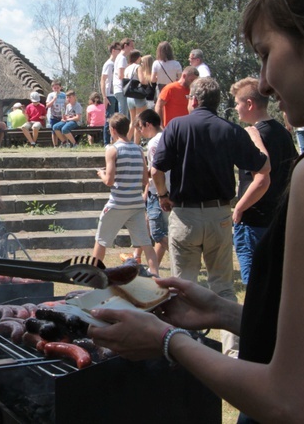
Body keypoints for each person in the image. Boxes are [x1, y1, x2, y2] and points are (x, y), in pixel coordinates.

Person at [89, 0, 304, 422]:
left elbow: (293, 402)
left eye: (268, 54)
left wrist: (167, 341)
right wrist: (220, 311)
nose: (265, 82)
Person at [151, 77, 270, 354]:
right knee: (223, 288)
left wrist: (162, 196)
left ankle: (189, 350)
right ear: (218, 103)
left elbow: (156, 170)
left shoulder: (177, 126)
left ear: (193, 100)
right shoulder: (230, 129)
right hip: (219, 215)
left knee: (183, 287)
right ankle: (233, 352)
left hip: (185, 215)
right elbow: (261, 166)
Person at [231, 77, 297, 285]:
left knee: (254, 282)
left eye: (237, 103)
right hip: (276, 218)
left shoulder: (253, 136)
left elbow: (260, 181)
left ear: (249, 104)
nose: (235, 108)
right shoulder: (283, 133)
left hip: (253, 220)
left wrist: (239, 209)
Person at [94, 114, 159, 275]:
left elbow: (109, 180)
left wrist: (101, 174)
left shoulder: (112, 149)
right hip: (136, 203)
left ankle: (92, 275)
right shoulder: (138, 149)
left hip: (117, 203)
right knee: (146, 244)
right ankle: (157, 277)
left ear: (113, 130)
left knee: (101, 242)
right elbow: (145, 179)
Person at [137, 109, 170, 267]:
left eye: (140, 127)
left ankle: (183, 255)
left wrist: (143, 175)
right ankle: (154, 268)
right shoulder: (168, 137)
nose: (140, 131)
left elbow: (157, 170)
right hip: (164, 189)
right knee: (162, 230)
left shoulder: (153, 144)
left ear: (148, 124)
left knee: (158, 233)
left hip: (159, 192)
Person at [123, 49, 148, 142]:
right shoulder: (138, 67)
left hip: (129, 97)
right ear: (138, 57)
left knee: (132, 121)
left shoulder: (127, 68)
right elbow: (142, 80)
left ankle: (126, 141)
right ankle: (136, 144)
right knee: (139, 121)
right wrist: (147, 80)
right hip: (137, 96)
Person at [101, 42, 121, 145]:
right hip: (110, 95)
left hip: (117, 94)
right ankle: (106, 142)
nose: (120, 52)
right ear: (113, 50)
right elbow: (103, 80)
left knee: (117, 119)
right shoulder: (109, 64)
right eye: (118, 50)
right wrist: (104, 96)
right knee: (109, 119)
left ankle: (115, 140)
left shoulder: (117, 63)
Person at [112, 38, 134, 115]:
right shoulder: (122, 58)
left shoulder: (120, 57)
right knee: (123, 115)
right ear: (125, 46)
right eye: (131, 46)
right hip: (121, 89)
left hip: (119, 89)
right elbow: (121, 75)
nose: (133, 48)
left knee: (124, 114)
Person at [45, 80, 67, 146]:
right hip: (53, 116)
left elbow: (66, 105)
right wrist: (54, 99)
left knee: (63, 130)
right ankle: (55, 145)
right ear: (52, 88)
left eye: (58, 88)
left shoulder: (64, 95)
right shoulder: (50, 95)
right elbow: (47, 105)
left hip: (62, 116)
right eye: (55, 88)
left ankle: (65, 143)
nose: (56, 89)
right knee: (54, 131)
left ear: (60, 87)